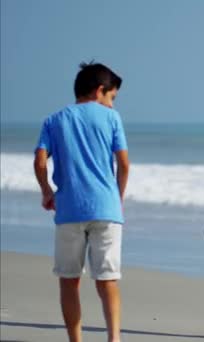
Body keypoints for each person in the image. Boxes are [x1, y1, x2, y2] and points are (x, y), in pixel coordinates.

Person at [33, 62, 129, 342]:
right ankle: (114, 339)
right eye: (111, 97)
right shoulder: (111, 119)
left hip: (69, 210)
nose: (111, 104)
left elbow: (40, 161)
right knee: (107, 279)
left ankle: (76, 340)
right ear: (100, 91)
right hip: (107, 210)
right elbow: (124, 164)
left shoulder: (54, 120)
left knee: (69, 280)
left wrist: (46, 191)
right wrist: (117, 198)